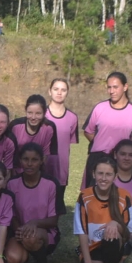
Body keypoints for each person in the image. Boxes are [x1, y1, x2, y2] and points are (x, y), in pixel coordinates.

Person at [5, 143, 64, 263]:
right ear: (20, 160)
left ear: (42, 160)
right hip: (20, 231)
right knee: (13, 259)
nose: (29, 164)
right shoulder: (12, 183)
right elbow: (10, 214)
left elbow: (54, 220)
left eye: (34, 159)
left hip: (44, 233)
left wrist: (35, 223)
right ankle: (24, 260)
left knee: (31, 237)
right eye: (26, 159)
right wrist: (19, 229)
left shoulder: (51, 183)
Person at [76, 157, 132, 263]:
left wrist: (116, 223)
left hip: (115, 246)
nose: (103, 178)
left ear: (115, 176)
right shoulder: (84, 196)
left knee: (111, 232)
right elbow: (82, 232)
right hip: (93, 250)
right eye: (100, 173)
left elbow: (129, 232)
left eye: (108, 174)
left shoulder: (125, 196)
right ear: (93, 174)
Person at [82, 72, 132, 188]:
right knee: (89, 197)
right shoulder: (99, 108)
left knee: (115, 198)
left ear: (125, 87)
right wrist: (100, 144)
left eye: (115, 87)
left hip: (119, 161)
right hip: (97, 159)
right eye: (109, 87)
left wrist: (122, 150)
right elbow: (88, 131)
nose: (112, 91)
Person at [46, 78, 79, 210]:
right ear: (50, 92)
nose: (59, 93)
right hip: (41, 167)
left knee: (56, 206)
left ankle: (53, 231)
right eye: (56, 89)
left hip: (61, 169)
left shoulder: (72, 117)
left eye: (63, 90)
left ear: (67, 93)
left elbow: (69, 142)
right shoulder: (41, 114)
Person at [8, 95, 59, 173]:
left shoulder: (49, 128)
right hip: (16, 171)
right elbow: (8, 153)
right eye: (30, 113)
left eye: (38, 113)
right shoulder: (15, 126)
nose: (33, 117)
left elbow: (46, 156)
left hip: (37, 172)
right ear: (25, 111)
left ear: (44, 112)